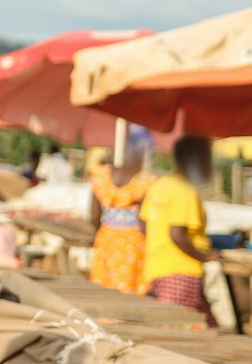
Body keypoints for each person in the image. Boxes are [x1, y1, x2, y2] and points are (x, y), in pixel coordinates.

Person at [140, 134, 215, 320]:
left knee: (205, 324)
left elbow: (143, 223)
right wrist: (205, 255)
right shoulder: (185, 189)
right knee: (176, 326)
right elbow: (177, 234)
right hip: (180, 272)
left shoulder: (160, 184)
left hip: (158, 268)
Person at [87, 127, 155, 295]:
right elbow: (145, 223)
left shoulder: (101, 175)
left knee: (104, 291)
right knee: (129, 294)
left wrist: (107, 231)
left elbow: (94, 216)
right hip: (134, 244)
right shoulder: (145, 181)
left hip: (105, 240)